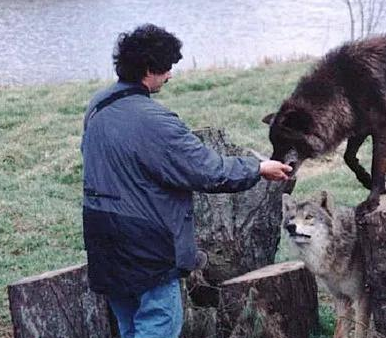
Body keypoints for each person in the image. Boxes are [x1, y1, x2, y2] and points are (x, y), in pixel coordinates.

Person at [81, 23, 291, 338]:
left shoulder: (98, 105)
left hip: (101, 233)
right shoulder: (156, 122)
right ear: (149, 69)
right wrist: (258, 168)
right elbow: (208, 170)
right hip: (146, 242)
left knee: (129, 325)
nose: (170, 75)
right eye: (166, 68)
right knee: (158, 326)